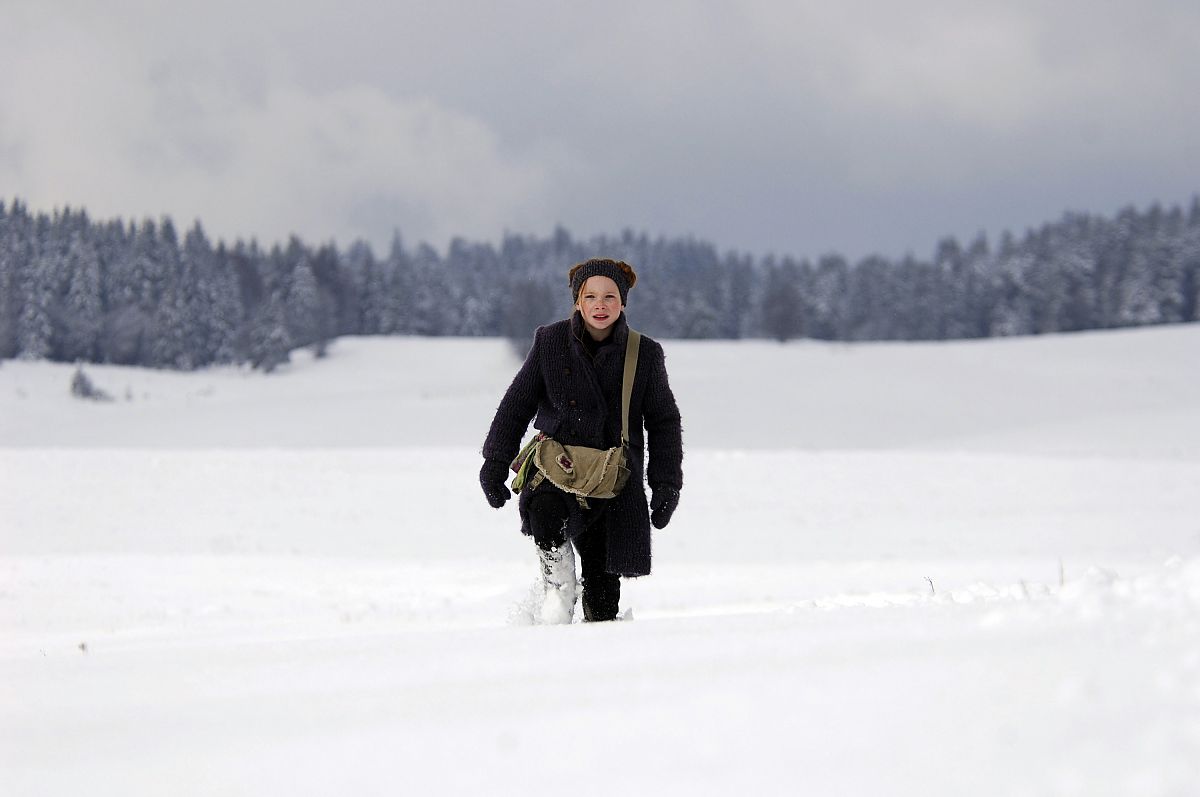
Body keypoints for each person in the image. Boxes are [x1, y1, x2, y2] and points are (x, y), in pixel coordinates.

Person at [479, 258, 683, 623]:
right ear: (577, 301)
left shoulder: (644, 354)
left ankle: (591, 661)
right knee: (544, 514)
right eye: (591, 297)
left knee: (603, 602)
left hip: (613, 485)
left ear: (623, 302)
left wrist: (666, 484)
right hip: (557, 470)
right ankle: (557, 587)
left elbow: (664, 421)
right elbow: (517, 404)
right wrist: (495, 462)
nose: (600, 305)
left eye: (609, 296)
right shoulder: (550, 342)